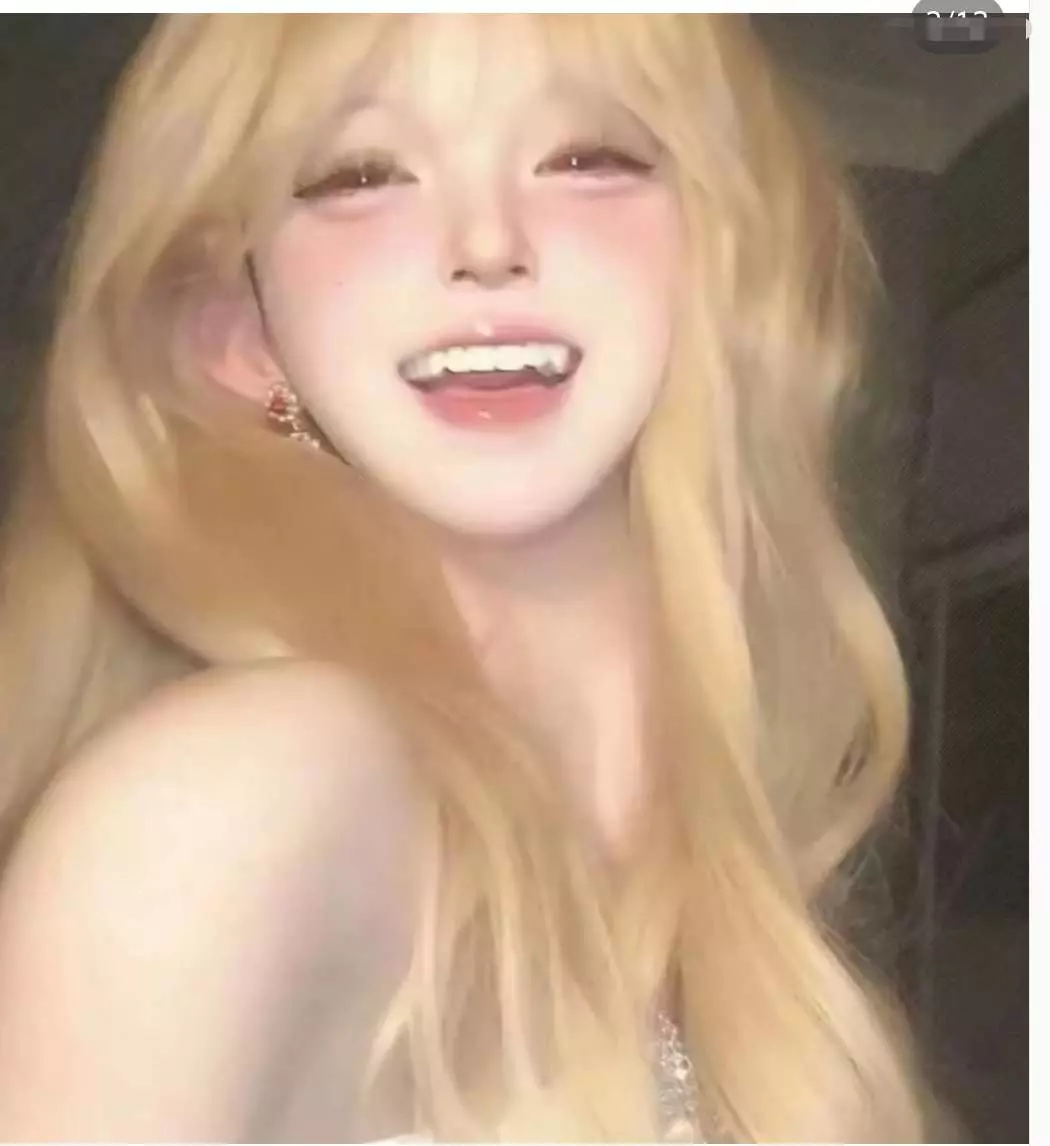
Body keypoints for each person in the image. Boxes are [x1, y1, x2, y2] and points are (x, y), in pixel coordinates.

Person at [0, 14, 927, 1142]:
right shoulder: (231, 809)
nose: (487, 243)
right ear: (236, 332)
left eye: (585, 157)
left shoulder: (721, 881)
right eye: (359, 175)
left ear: (726, 265)